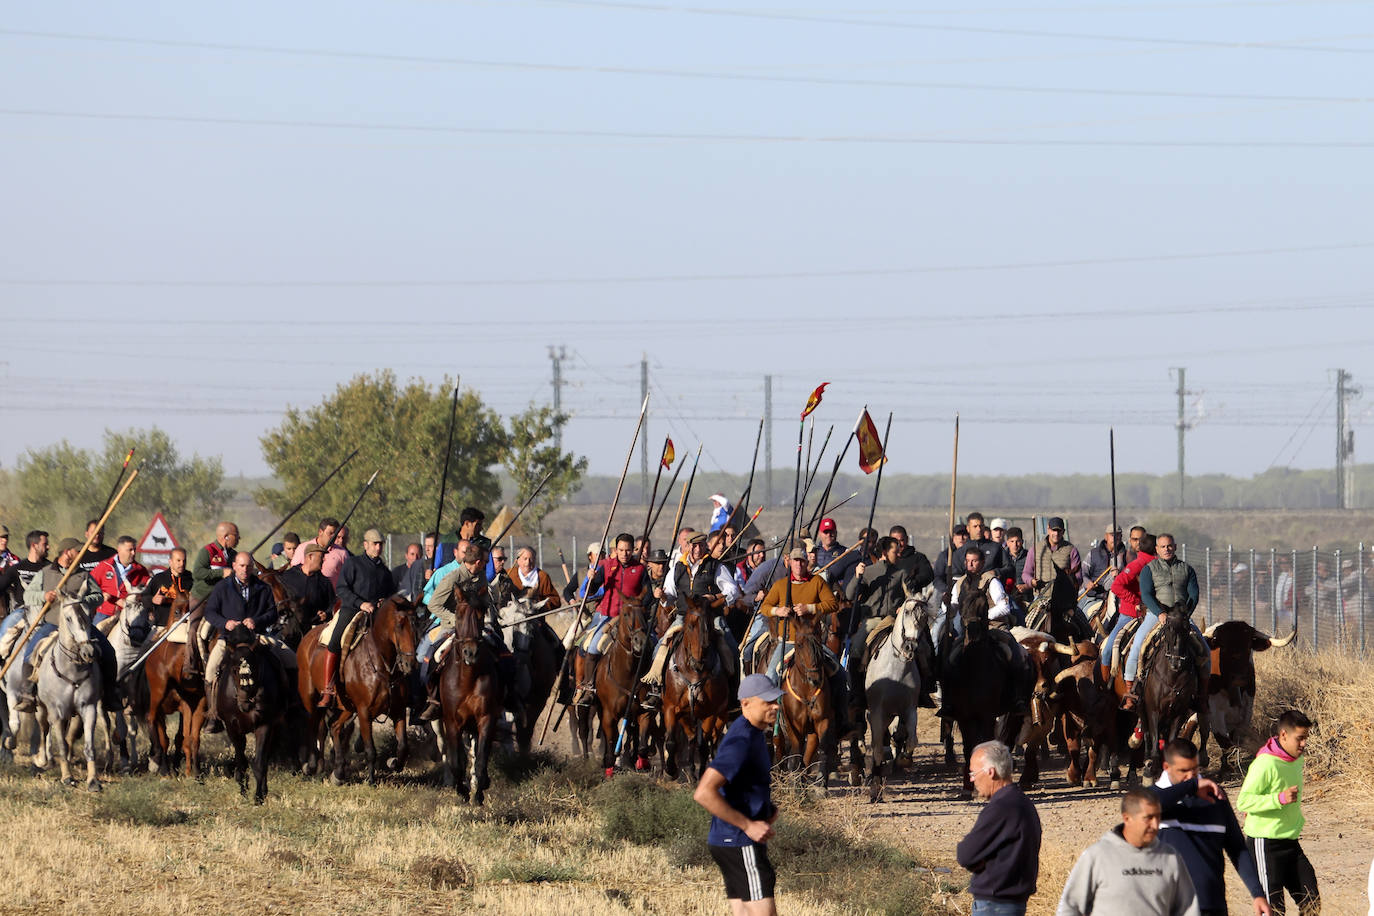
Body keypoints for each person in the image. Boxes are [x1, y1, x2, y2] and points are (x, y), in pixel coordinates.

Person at [694, 674, 783, 916]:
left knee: (744, 911)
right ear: (745, 703)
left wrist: (767, 810)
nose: (775, 705)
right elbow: (703, 793)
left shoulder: (753, 733)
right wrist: (747, 825)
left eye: (775, 700)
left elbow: (743, 785)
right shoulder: (741, 740)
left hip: (728, 840)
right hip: (738, 840)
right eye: (767, 701)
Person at [1155, 738, 1272, 916]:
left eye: (1194, 770)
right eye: (1183, 771)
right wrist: (1192, 786)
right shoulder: (1153, 800)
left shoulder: (1216, 798)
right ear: (1166, 767)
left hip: (1212, 906)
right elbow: (1144, 805)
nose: (1190, 776)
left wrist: (1257, 894)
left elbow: (1237, 848)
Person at [1057, 787, 1200, 916]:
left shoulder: (1170, 857)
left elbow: (1188, 908)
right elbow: (1070, 906)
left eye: (1158, 817)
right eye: (1148, 818)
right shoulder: (1097, 856)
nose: (1155, 824)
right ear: (1127, 818)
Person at [17, 537, 120, 714]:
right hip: (52, 623)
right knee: (29, 654)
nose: (81, 554)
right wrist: (44, 596)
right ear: (67, 552)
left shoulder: (84, 574)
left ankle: (110, 694)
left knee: (109, 652)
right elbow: (28, 596)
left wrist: (82, 601)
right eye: (78, 551)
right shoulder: (46, 572)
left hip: (81, 626)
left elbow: (99, 596)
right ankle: (28, 695)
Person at [640, 531, 741, 705]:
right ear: (687, 546)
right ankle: (656, 691)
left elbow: (733, 590)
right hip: (684, 618)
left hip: (711, 617)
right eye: (693, 545)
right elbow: (669, 595)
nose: (697, 549)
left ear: (705, 546)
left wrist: (715, 597)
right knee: (660, 647)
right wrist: (662, 596)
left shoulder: (715, 566)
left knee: (732, 649)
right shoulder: (677, 567)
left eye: (701, 545)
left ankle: (733, 694)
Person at [201, 551, 297, 733]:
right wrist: (225, 623)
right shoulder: (222, 587)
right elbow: (210, 612)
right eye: (242, 566)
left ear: (253, 568)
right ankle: (213, 714)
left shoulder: (263, 587)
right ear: (235, 566)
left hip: (257, 637)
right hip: (229, 639)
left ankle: (290, 705)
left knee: (290, 658)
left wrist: (256, 621)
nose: (245, 570)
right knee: (211, 668)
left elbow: (272, 613)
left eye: (249, 566)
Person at [1237, 710, 1319, 915]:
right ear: (1283, 735)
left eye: (1306, 738)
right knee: (1273, 911)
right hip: (1265, 845)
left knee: (1312, 903)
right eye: (1299, 738)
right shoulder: (1265, 764)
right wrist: (1278, 799)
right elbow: (1243, 801)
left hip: (1290, 842)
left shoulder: (1296, 759)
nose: (1303, 744)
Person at [1123, 533, 1209, 709]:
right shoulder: (1149, 569)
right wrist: (1159, 613)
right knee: (1138, 646)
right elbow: (1146, 594)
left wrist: (1185, 615)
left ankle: (1202, 696)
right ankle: (1131, 693)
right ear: (1157, 549)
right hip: (1157, 615)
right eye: (1162, 547)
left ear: (1175, 547)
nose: (1166, 549)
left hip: (1181, 616)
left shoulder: (1187, 569)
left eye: (1169, 546)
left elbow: (1194, 594)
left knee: (1204, 650)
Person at [957, 740, 1042, 916]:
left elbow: (965, 854)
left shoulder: (1001, 807)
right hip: (1010, 902)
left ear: (991, 772)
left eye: (973, 772)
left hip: (994, 905)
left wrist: (981, 861)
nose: (971, 779)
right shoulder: (1023, 803)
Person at [318, 529, 396, 708]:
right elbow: (342, 589)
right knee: (335, 639)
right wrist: (361, 604)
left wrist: (385, 601)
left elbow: (391, 594)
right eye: (375, 544)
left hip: (376, 615)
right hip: (351, 610)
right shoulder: (353, 563)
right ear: (365, 544)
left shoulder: (385, 571)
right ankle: (328, 688)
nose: (378, 547)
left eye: (381, 544)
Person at [565, 534, 647, 704]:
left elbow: (647, 595)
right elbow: (592, 591)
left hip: (631, 618)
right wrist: (592, 580)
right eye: (621, 550)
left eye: (628, 550)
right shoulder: (607, 566)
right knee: (593, 646)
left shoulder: (640, 569)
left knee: (649, 645)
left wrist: (642, 607)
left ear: (633, 550)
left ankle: (649, 688)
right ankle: (588, 687)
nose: (624, 554)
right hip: (606, 615)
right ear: (615, 550)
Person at [1107, 533, 1155, 687]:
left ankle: (1103, 686)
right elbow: (1117, 586)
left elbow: (1115, 586)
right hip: (1134, 614)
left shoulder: (1143, 564)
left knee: (1107, 650)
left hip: (1134, 614)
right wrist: (1136, 600)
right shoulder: (1137, 565)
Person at [1026, 517, 1084, 637]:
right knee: (1027, 625)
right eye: (1053, 530)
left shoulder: (1071, 550)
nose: (1056, 534)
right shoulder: (1035, 549)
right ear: (1048, 530)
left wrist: (1068, 583)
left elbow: (1078, 577)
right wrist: (1032, 582)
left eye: (1059, 531)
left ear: (1063, 531)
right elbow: (1026, 573)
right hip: (1041, 598)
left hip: (1064, 601)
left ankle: (1092, 643)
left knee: (1083, 624)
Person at [91, 535, 151, 620]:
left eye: (134, 550)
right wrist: (101, 595)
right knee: (96, 631)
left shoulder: (141, 571)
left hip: (129, 614)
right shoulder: (104, 566)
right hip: (105, 613)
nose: (133, 553)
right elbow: (90, 585)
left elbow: (147, 593)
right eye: (130, 550)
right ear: (119, 550)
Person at [278, 543, 336, 627]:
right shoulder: (287, 576)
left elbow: (332, 604)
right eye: (321, 557)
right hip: (289, 627)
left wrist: (326, 614)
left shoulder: (324, 582)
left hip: (314, 629)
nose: (324, 560)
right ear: (310, 556)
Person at [291, 517, 347, 585]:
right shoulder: (302, 548)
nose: (333, 537)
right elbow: (293, 573)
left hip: (330, 594)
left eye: (335, 534)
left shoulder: (342, 553)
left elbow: (347, 577)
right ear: (320, 532)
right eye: (330, 533)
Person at [1083, 526, 1125, 596]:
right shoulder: (1093, 554)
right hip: (1095, 597)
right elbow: (1083, 573)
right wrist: (1087, 583)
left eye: (1117, 535)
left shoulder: (1126, 556)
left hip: (1119, 597)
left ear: (1121, 537)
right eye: (1112, 535)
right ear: (1106, 537)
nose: (1115, 538)